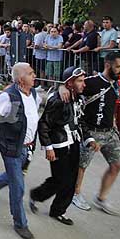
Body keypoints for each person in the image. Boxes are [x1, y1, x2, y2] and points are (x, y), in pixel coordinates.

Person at [0, 63, 41, 239]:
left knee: (14, 176)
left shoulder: (33, 93)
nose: (34, 75)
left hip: (27, 146)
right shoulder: (8, 96)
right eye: (31, 73)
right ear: (21, 79)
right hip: (11, 147)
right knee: (18, 185)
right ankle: (20, 224)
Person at [64, 52, 120, 215]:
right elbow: (70, 86)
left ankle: (101, 198)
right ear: (108, 65)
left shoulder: (115, 84)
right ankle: (75, 194)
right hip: (91, 132)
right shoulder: (92, 82)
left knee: (117, 164)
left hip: (110, 133)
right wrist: (63, 88)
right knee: (81, 166)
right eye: (118, 67)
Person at [29, 66, 88, 225]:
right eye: (80, 81)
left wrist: (88, 139)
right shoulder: (58, 100)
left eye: (83, 80)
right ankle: (36, 195)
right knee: (60, 179)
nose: (84, 84)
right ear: (70, 83)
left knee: (71, 179)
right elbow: (44, 124)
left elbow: (79, 121)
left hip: (74, 144)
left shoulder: (78, 97)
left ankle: (58, 211)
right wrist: (48, 147)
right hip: (59, 145)